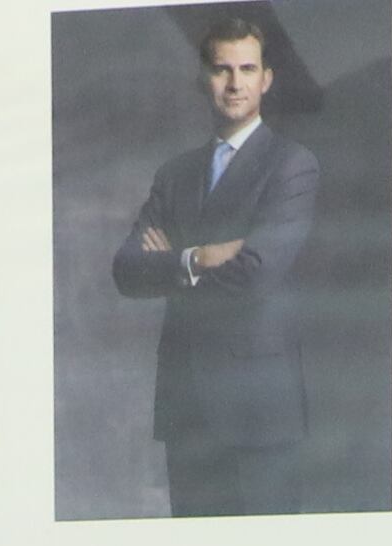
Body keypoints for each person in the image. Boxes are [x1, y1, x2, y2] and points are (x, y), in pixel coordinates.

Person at [107, 15, 321, 517]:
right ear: (203, 78)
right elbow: (126, 269)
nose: (234, 82)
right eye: (222, 69)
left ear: (266, 79)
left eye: (247, 68)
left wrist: (171, 265)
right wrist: (198, 257)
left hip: (259, 413)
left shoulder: (292, 164)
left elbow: (258, 271)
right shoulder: (175, 173)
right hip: (187, 409)